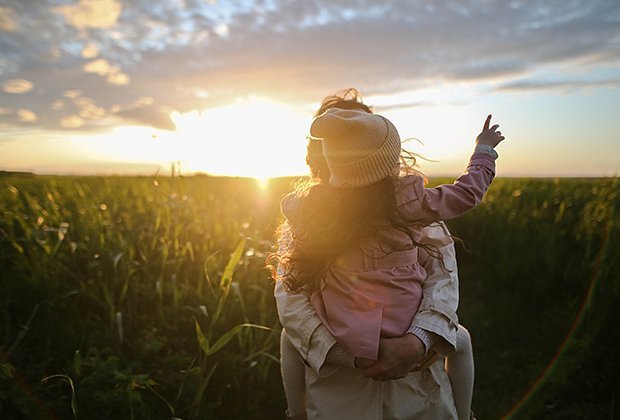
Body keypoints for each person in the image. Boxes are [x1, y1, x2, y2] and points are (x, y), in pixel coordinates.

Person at [273, 90, 504, 419]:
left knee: (459, 338)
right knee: (461, 339)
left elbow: (443, 280)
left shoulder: (310, 210)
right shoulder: (411, 204)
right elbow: (291, 298)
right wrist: (483, 152)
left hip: (417, 382)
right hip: (336, 384)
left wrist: (417, 342)